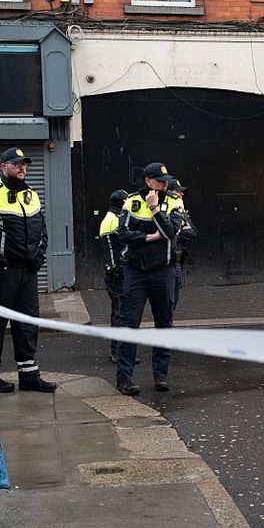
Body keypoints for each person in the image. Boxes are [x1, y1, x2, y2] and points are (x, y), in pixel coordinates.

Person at [0, 147, 57, 393]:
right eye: (16, 164)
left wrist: (38, 257)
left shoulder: (32, 195)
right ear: (4, 167)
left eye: (25, 164)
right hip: (1, 271)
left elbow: (42, 230)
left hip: (27, 271)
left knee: (28, 323)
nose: (22, 168)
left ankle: (29, 375)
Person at [115, 162, 183, 395]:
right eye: (160, 181)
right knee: (128, 325)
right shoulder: (131, 201)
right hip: (135, 273)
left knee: (164, 324)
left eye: (166, 181)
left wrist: (155, 210)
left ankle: (161, 376)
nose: (165, 184)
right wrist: (148, 237)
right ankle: (124, 379)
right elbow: (122, 234)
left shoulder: (174, 201)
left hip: (163, 271)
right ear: (148, 181)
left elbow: (171, 232)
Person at [99, 189, 129, 363]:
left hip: (115, 272)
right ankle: (118, 351)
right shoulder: (113, 220)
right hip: (117, 274)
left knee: (118, 311)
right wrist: (116, 269)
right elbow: (113, 250)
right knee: (120, 312)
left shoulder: (110, 218)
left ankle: (119, 349)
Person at [163, 175, 198, 310]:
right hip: (166, 259)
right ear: (170, 192)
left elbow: (193, 232)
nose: (181, 194)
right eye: (178, 191)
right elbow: (167, 231)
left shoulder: (181, 210)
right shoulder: (164, 209)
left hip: (178, 260)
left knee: (173, 298)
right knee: (165, 299)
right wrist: (178, 230)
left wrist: (176, 231)